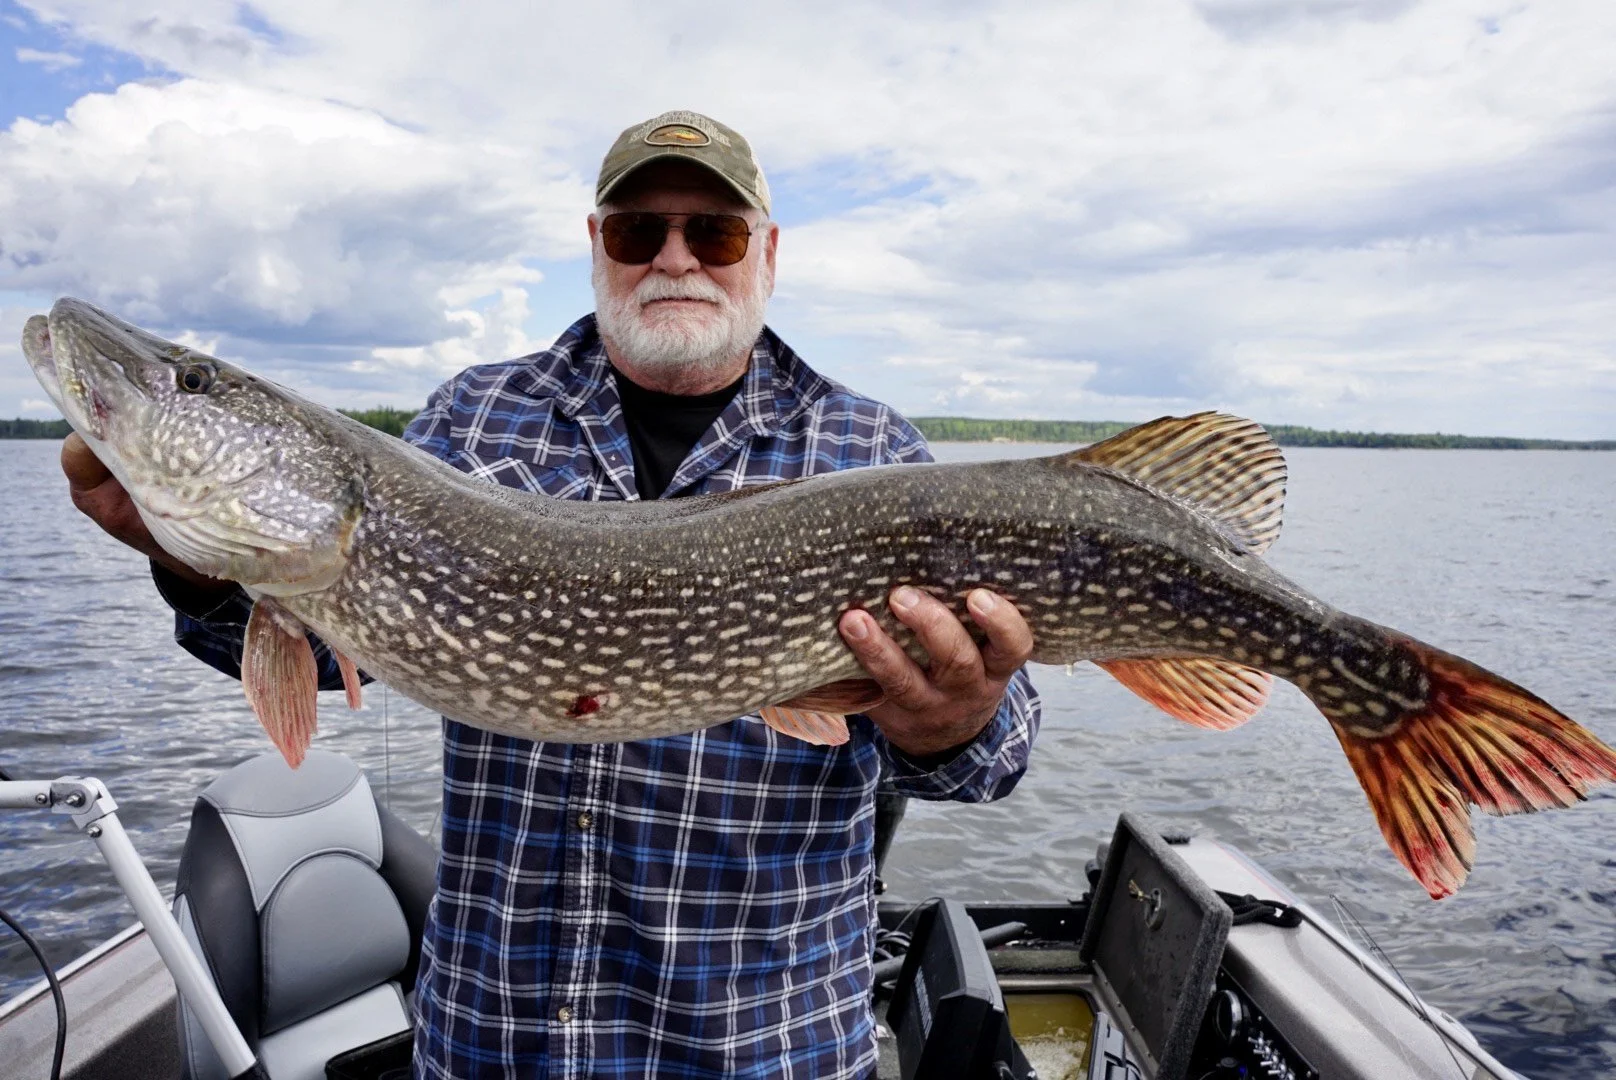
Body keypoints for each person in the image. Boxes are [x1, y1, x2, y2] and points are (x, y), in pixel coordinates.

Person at [61, 109, 1042, 1079]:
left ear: (766, 253)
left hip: (761, 1048)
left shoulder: (869, 454)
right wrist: (199, 564)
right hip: (494, 1042)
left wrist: (954, 722)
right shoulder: (475, 421)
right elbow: (328, 645)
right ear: (596, 246)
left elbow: (990, 765)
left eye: (713, 231)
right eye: (635, 230)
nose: (673, 258)